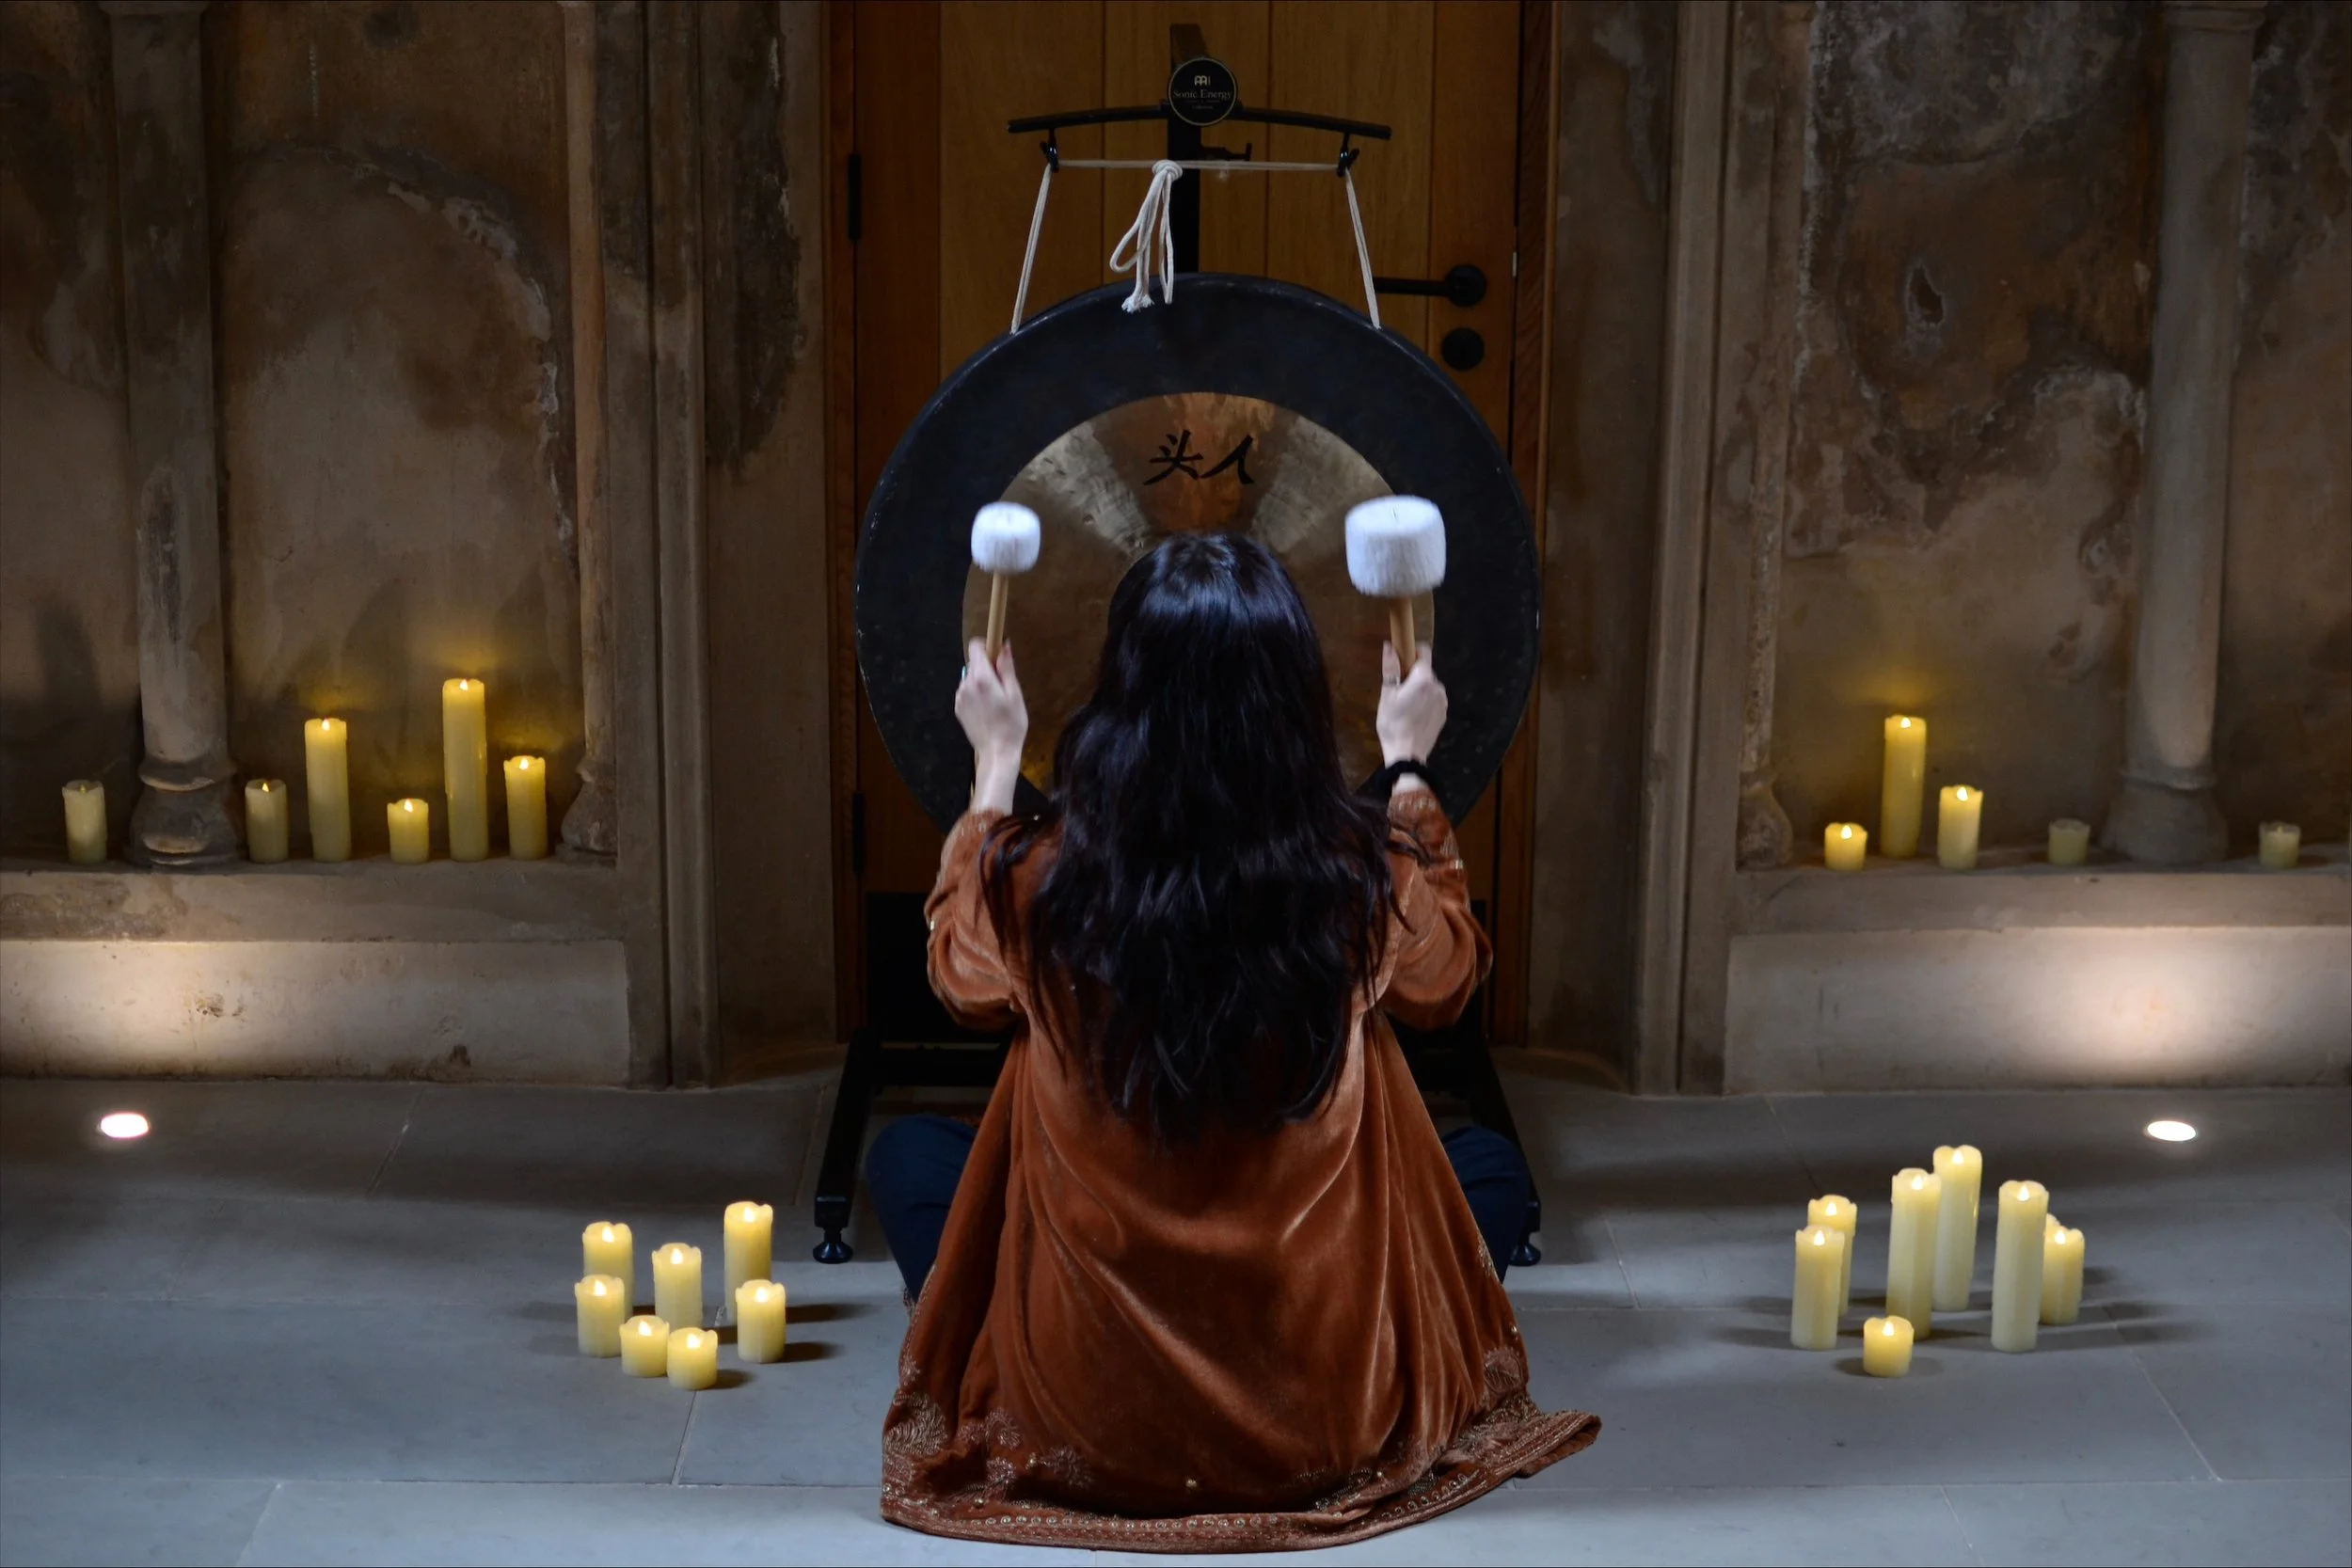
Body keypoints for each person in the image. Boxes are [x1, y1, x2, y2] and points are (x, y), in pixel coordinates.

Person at [868, 534, 1596, 1551]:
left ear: (1120, 696)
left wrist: (993, 764)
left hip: (1085, 1423)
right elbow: (1445, 982)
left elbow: (957, 975)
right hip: (1323, 1424)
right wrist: (1406, 765)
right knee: (1483, 1174)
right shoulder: (1359, 880)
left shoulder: (1038, 881)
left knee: (908, 1159)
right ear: (1296, 706)